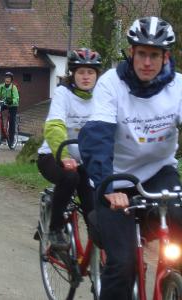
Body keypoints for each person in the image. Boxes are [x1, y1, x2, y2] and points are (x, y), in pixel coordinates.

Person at [78, 16, 182, 300]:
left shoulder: (178, 88)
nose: (147, 62)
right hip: (115, 177)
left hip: (159, 172)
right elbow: (97, 137)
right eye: (142, 54)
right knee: (123, 264)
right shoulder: (112, 84)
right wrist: (108, 189)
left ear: (165, 57)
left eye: (155, 55)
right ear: (132, 53)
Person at [36, 48, 102, 249]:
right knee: (70, 177)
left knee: (93, 201)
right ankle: (55, 229)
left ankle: (96, 249)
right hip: (53, 155)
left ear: (97, 75)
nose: (86, 77)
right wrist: (64, 156)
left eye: (91, 72)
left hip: (83, 160)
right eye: (81, 72)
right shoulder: (63, 93)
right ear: (73, 73)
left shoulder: (102, 96)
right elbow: (55, 126)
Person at [0, 71, 19, 147]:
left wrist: (12, 101)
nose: (7, 79)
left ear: (11, 80)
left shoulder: (13, 87)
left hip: (13, 105)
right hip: (4, 103)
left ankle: (11, 140)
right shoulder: (1, 86)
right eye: (6, 78)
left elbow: (16, 98)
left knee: (12, 121)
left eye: (9, 78)